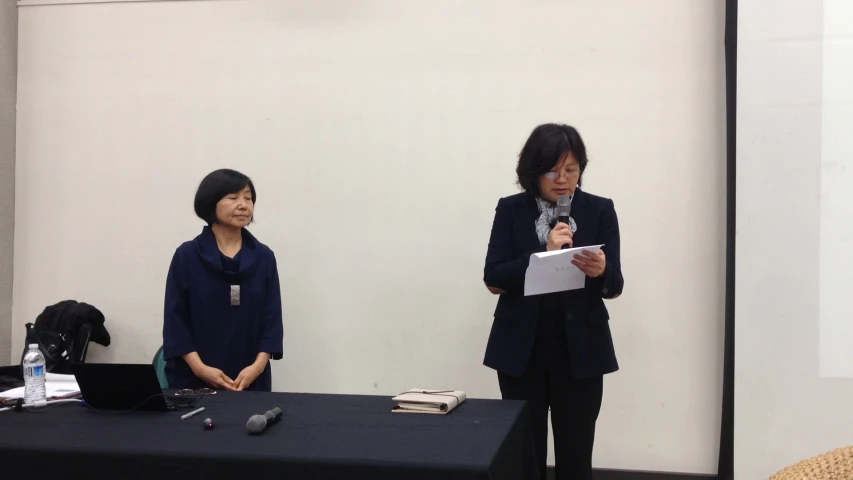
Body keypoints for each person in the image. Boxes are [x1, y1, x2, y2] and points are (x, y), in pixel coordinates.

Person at [482, 123, 624, 479]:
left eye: (571, 169)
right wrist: (541, 254)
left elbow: (616, 285)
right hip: (521, 352)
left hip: (581, 352)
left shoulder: (600, 210)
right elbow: (494, 278)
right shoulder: (511, 210)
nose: (562, 179)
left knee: (576, 457)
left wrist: (603, 270)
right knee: (524, 457)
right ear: (532, 172)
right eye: (552, 170)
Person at [162, 169, 283, 392]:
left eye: (248, 197)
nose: (244, 205)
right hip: (194, 379)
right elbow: (175, 320)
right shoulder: (187, 256)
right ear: (210, 203)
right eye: (233, 197)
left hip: (250, 378)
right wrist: (200, 369)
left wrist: (258, 367)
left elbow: (272, 319)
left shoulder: (264, 257)